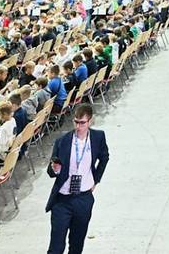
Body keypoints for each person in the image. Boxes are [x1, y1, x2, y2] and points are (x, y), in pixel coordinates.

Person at [46, 103, 110, 254]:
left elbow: (105, 157)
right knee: (56, 247)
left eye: (82, 123)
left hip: (83, 198)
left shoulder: (98, 137)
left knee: (77, 243)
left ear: (90, 121)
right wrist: (54, 169)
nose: (78, 126)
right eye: (76, 122)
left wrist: (96, 179)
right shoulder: (62, 141)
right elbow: (51, 169)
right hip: (62, 200)